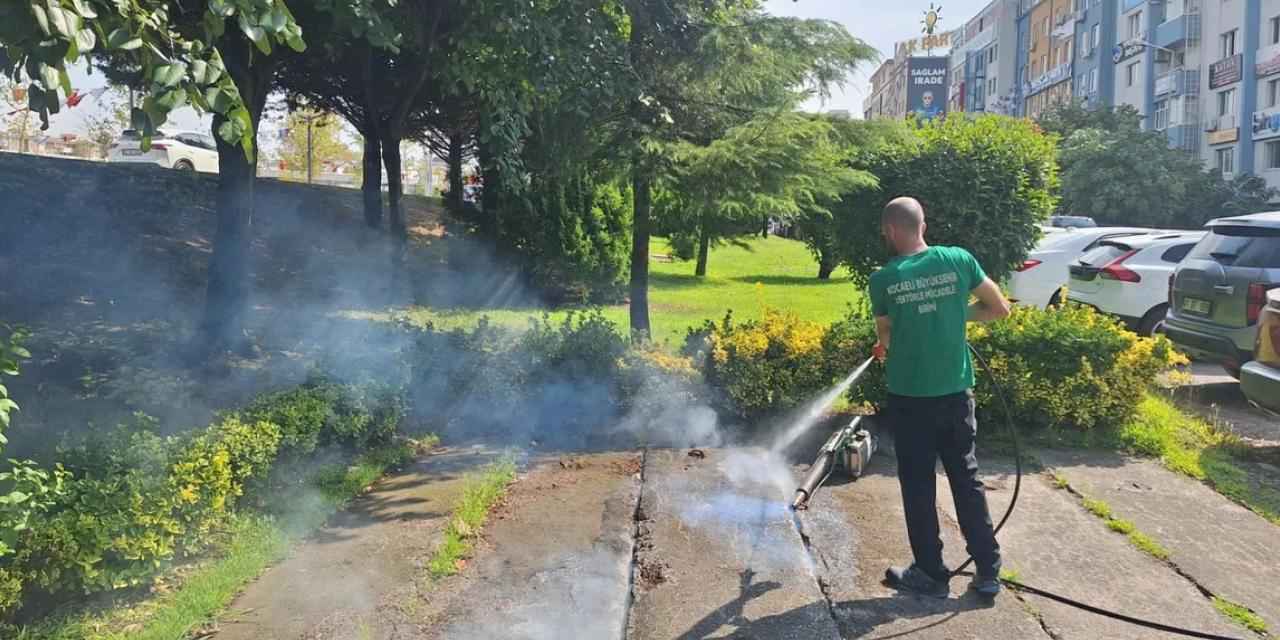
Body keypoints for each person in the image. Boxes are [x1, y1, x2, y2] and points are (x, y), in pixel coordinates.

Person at [868, 196, 1010, 599]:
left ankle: (930, 573)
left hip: (910, 398)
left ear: (891, 231)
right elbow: (998, 308)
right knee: (966, 479)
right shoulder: (958, 259)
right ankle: (987, 572)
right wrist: (952, 312)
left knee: (917, 485)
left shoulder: (884, 279)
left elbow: (887, 336)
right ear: (923, 225)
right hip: (955, 395)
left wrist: (885, 343)